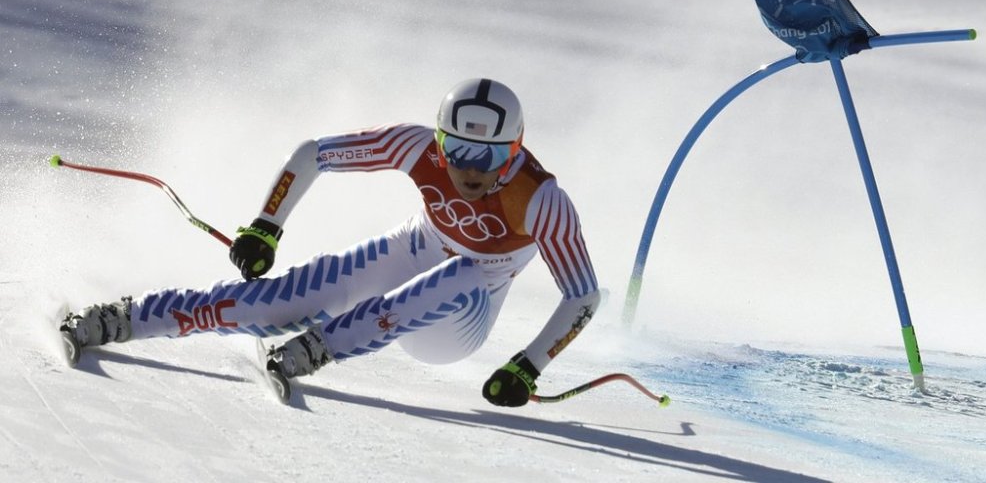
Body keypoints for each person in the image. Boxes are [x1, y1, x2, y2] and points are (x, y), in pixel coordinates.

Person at [61, 78, 601, 406]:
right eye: (456, 149)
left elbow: (582, 295)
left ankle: (319, 348)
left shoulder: (541, 200)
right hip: (413, 252)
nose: (468, 169)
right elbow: (313, 153)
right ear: (438, 139)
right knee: (270, 303)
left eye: (487, 156)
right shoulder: (414, 147)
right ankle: (122, 318)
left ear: (515, 151)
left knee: (464, 272)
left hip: (458, 321)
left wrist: (527, 366)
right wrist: (265, 225)